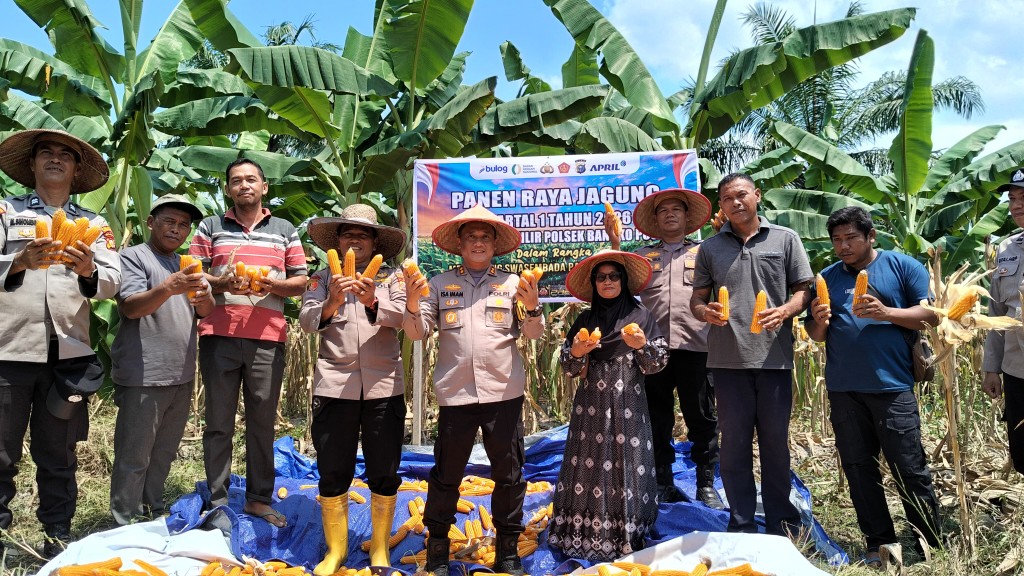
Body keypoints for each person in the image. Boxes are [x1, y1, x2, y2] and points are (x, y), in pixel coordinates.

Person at [402, 204, 543, 576]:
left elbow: (533, 334)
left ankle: (508, 550)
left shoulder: (513, 284)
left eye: (485, 237)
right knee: (446, 474)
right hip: (456, 395)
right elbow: (418, 333)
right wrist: (412, 303)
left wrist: (532, 308)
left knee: (509, 475)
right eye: (471, 237)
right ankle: (437, 546)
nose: (478, 243)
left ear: (495, 245)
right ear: (460, 245)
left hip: (503, 393)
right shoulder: (438, 284)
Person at [0, 129, 120, 557]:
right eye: (45, 153)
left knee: (58, 453)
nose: (54, 159)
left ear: (76, 169)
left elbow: (113, 280)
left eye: (64, 155)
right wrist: (18, 260)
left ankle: (57, 536)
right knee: (1, 452)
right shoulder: (5, 211)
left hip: (68, 355)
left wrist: (90, 270)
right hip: (9, 351)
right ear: (31, 165)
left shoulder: (97, 225)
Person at [805, 206, 942, 563]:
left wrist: (887, 313)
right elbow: (816, 335)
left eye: (851, 238)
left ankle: (929, 542)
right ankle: (877, 541)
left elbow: (930, 317)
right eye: (837, 240)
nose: (843, 246)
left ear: (870, 237)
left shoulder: (902, 267)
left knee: (908, 467)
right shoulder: (828, 277)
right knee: (858, 467)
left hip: (892, 385)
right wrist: (818, 321)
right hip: (844, 388)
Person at [689, 172, 813, 537]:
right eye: (727, 199)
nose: (735, 203)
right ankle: (740, 522)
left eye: (741, 195)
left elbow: (804, 289)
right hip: (727, 362)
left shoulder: (785, 239)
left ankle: (782, 523)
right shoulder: (710, 248)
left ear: (757, 195)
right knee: (734, 447)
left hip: (773, 359)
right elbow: (698, 298)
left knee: (775, 444)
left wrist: (785, 311)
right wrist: (704, 311)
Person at [188, 158, 308, 527]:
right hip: (219, 334)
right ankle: (219, 500)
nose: (244, 185)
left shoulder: (285, 230)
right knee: (218, 422)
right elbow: (193, 274)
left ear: (264, 187)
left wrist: (273, 285)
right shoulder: (210, 227)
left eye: (251, 180)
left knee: (262, 422)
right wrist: (223, 283)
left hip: (267, 338)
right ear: (227, 189)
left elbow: (301, 280)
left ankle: (258, 499)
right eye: (236, 180)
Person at [300, 204, 408, 574]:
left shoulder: (393, 279)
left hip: (383, 385)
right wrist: (331, 300)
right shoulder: (320, 276)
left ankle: (380, 548)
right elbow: (307, 321)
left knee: (384, 468)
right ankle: (336, 551)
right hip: (334, 386)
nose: (355, 239)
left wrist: (372, 301)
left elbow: (406, 319)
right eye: (348, 233)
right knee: (333, 468)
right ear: (338, 240)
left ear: (375, 240)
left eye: (363, 234)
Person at [547, 250, 668, 561]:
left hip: (629, 402)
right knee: (587, 464)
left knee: (626, 463)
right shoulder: (585, 320)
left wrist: (642, 346)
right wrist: (576, 351)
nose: (608, 281)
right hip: (590, 407)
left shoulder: (642, 317)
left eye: (614, 276)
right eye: (601, 277)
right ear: (594, 284)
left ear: (624, 281)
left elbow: (657, 364)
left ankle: (624, 533)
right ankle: (581, 533)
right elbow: (570, 368)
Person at [108, 194, 214, 526]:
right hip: (144, 372)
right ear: (151, 222)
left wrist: (206, 295)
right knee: (134, 455)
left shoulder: (185, 263)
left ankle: (150, 509)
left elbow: (204, 312)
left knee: (164, 452)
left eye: (184, 225)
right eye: (169, 221)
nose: (176, 229)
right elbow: (131, 307)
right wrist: (169, 287)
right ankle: (123, 520)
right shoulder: (134, 257)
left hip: (180, 373)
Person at [616, 188, 725, 508]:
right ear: (656, 219)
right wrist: (616, 244)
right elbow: (620, 287)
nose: (670, 214)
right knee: (655, 417)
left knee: (702, 417)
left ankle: (706, 482)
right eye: (663, 211)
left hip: (698, 345)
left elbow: (730, 277)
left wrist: (724, 238)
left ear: (688, 217)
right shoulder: (642, 256)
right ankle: (662, 480)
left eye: (676, 209)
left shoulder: (706, 251)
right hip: (652, 349)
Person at [983, 167, 1024, 474]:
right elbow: (996, 314)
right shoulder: (1007, 249)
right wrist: (991, 368)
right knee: (1022, 449)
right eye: (1012, 199)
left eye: (1023, 197)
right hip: (1016, 368)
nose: (1016, 205)